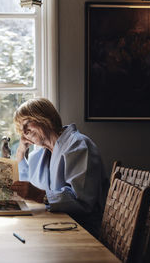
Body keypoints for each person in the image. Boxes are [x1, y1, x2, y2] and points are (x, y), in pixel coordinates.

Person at [11, 97, 109, 237]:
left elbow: (82, 201)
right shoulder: (40, 152)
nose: (24, 132)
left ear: (46, 118)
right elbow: (29, 186)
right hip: (54, 227)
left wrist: (40, 195)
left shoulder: (78, 146)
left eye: (27, 123)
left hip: (82, 232)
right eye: (21, 129)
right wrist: (21, 152)